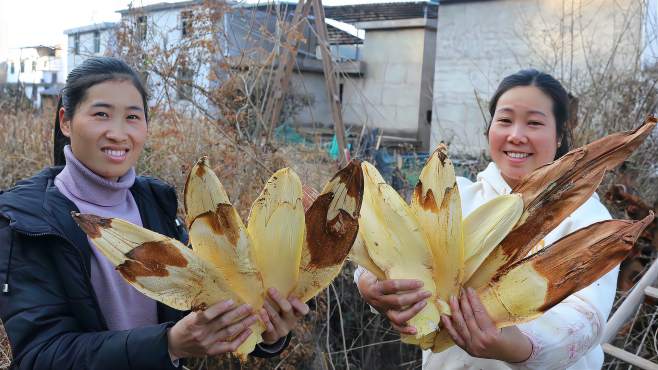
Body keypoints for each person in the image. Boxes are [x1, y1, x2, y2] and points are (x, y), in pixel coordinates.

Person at [0, 56, 308, 370]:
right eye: (101, 114)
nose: (118, 133)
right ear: (66, 121)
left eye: (133, 117)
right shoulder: (26, 222)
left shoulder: (156, 203)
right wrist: (168, 344)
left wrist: (266, 332)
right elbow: (41, 356)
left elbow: (209, 302)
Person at [355, 69, 618, 369]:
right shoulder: (456, 197)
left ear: (559, 136)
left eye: (534, 123)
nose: (516, 136)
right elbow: (391, 243)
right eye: (504, 120)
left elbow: (587, 320)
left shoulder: (587, 218)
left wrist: (517, 346)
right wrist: (370, 283)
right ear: (489, 130)